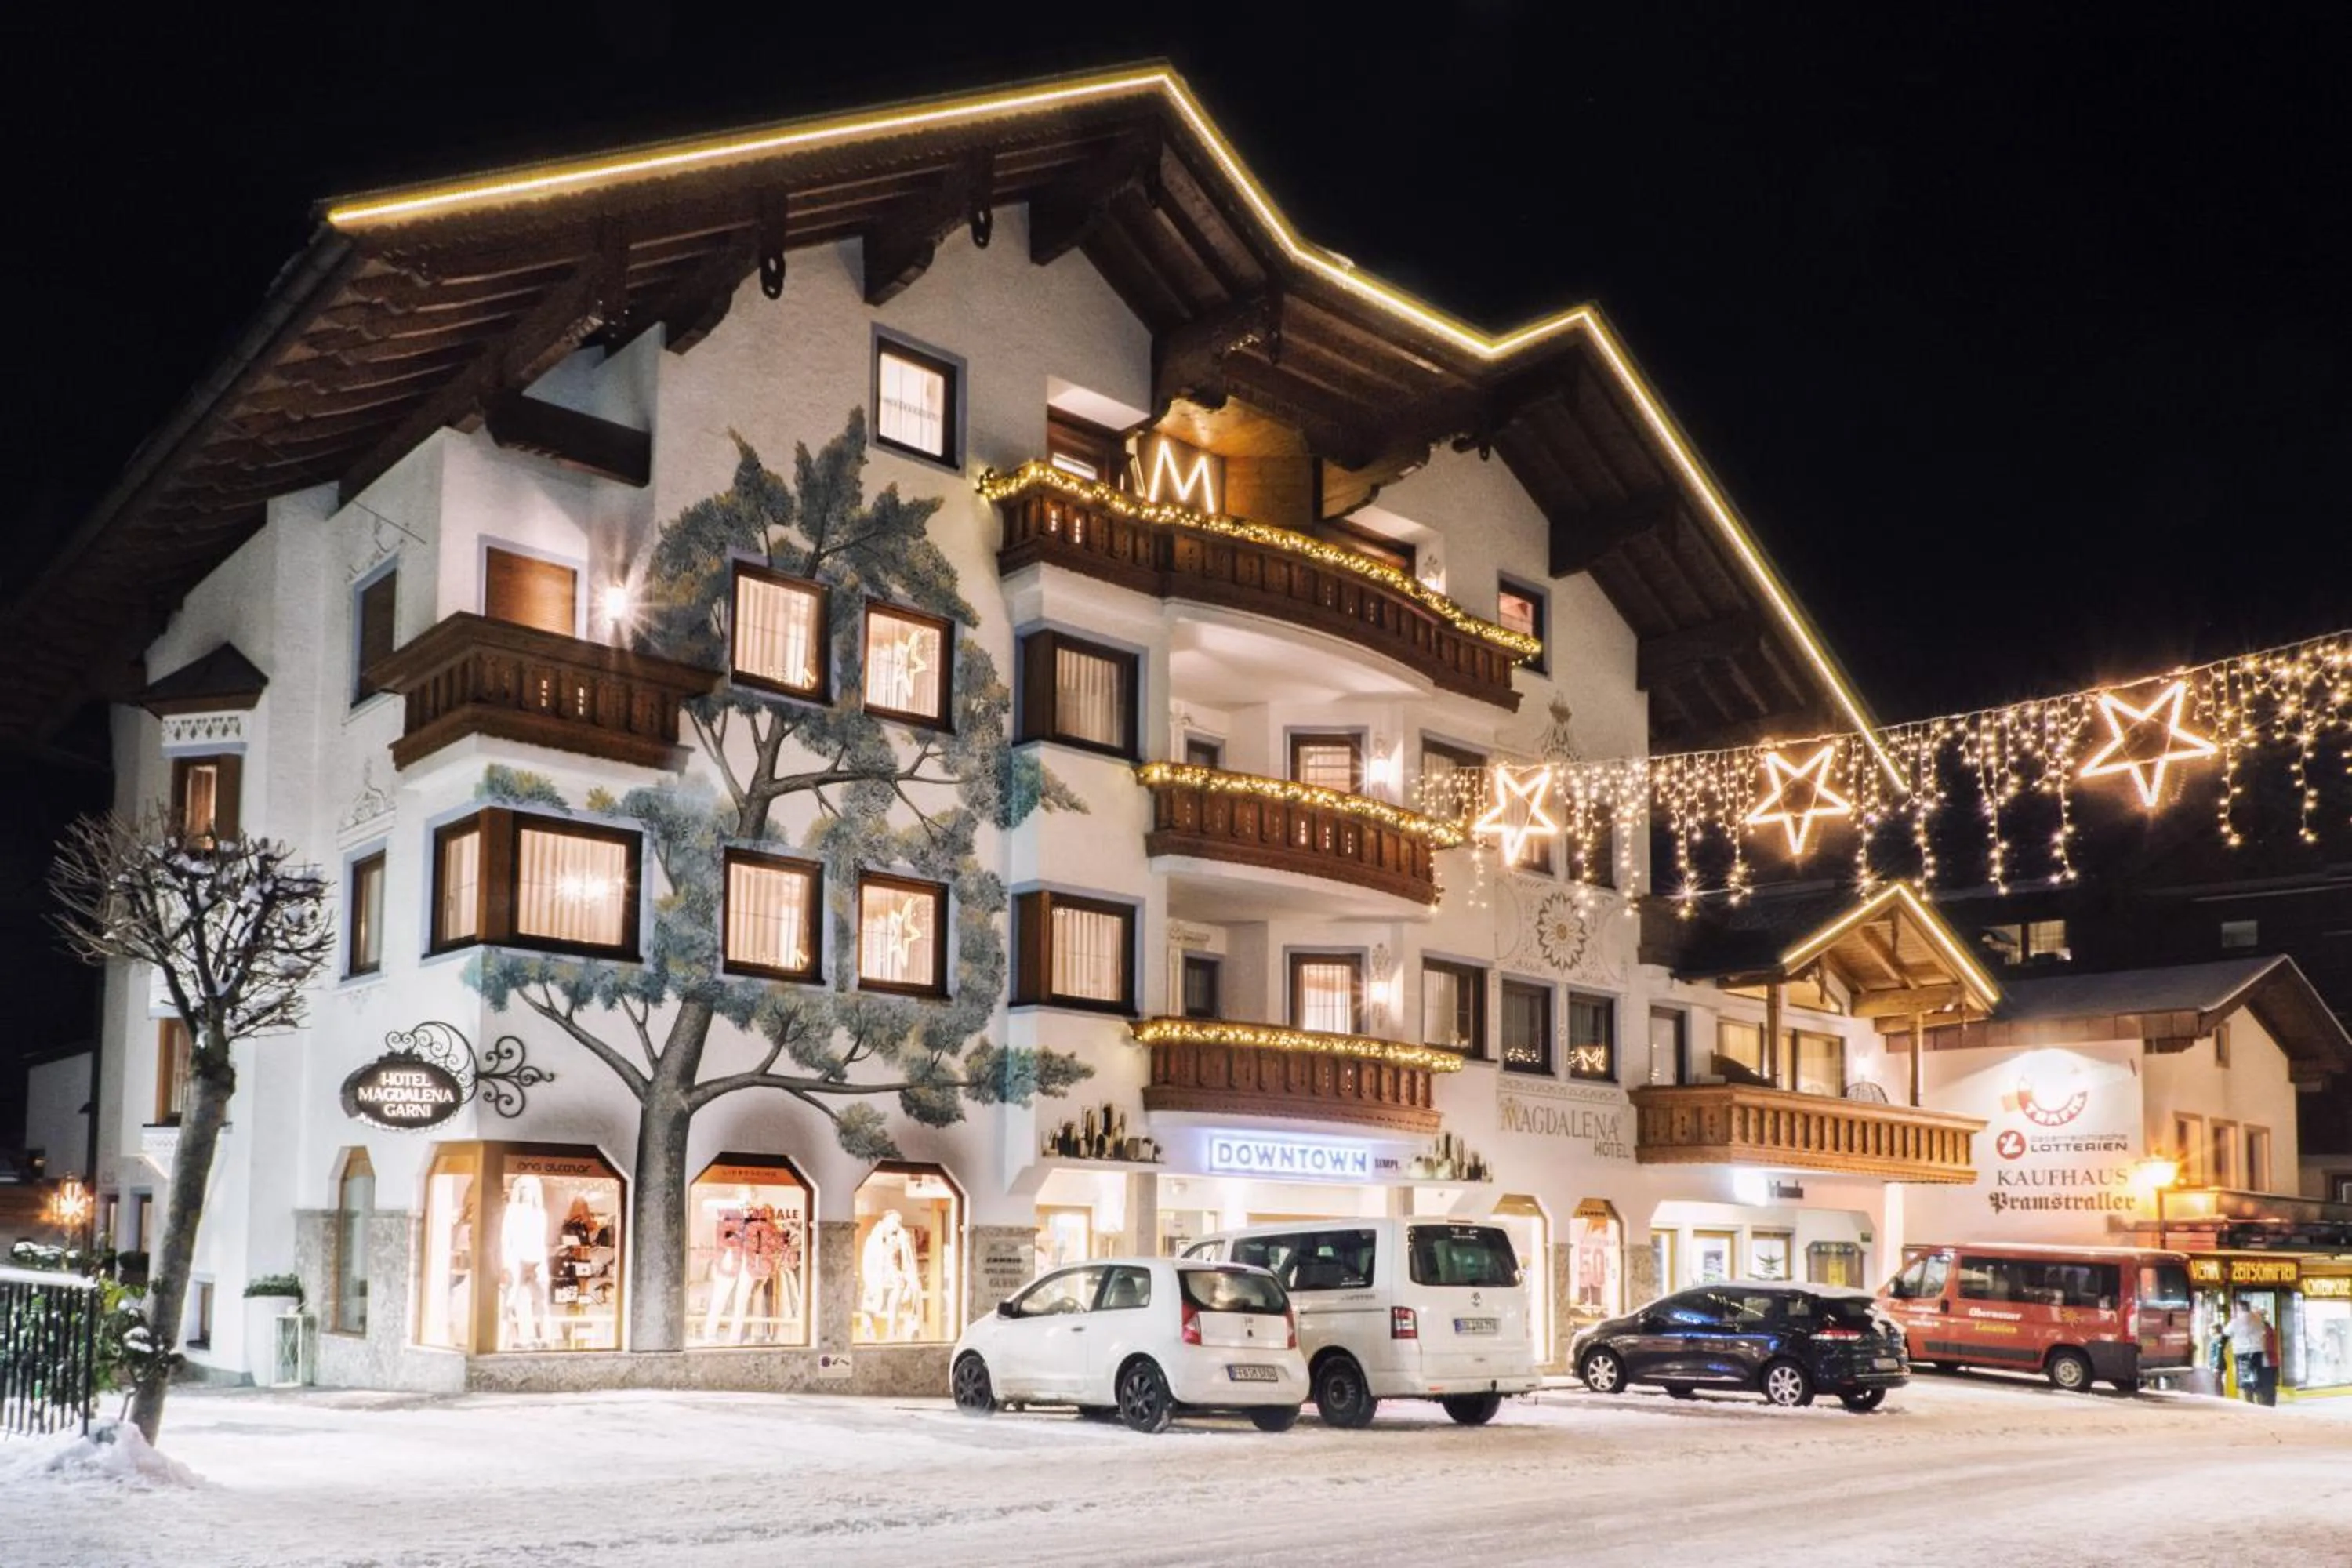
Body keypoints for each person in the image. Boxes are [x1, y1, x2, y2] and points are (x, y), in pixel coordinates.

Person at [2223, 1299, 2269, 1404]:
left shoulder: (2235, 1321)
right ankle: (2260, 1399)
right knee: (2257, 1375)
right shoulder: (2257, 1319)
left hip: (2242, 1352)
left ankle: (2249, 1401)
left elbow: (2226, 1332)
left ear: (2239, 1308)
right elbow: (2262, 1331)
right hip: (2257, 1351)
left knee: (2246, 1378)